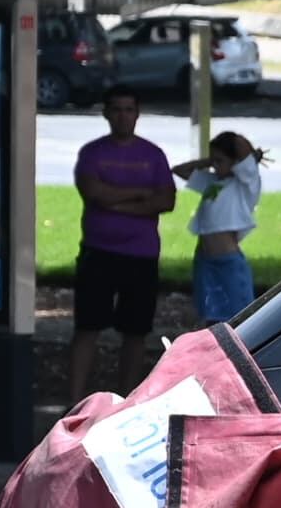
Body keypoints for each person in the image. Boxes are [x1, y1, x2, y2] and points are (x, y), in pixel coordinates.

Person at [68, 90, 175, 402]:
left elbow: (166, 200)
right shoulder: (92, 152)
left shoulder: (153, 155)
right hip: (98, 252)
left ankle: (126, 401)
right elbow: (93, 193)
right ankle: (73, 403)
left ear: (137, 113)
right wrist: (140, 194)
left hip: (141, 256)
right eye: (116, 109)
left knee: (136, 331)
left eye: (129, 109)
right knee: (87, 328)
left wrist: (114, 200)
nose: (123, 116)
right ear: (105, 113)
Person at [179, 131, 269, 327]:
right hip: (204, 260)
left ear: (235, 163)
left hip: (228, 262)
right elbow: (179, 170)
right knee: (209, 317)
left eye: (220, 161)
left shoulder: (246, 183)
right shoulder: (212, 180)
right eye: (214, 161)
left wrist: (251, 157)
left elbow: (239, 143)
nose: (215, 166)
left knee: (237, 319)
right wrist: (208, 161)